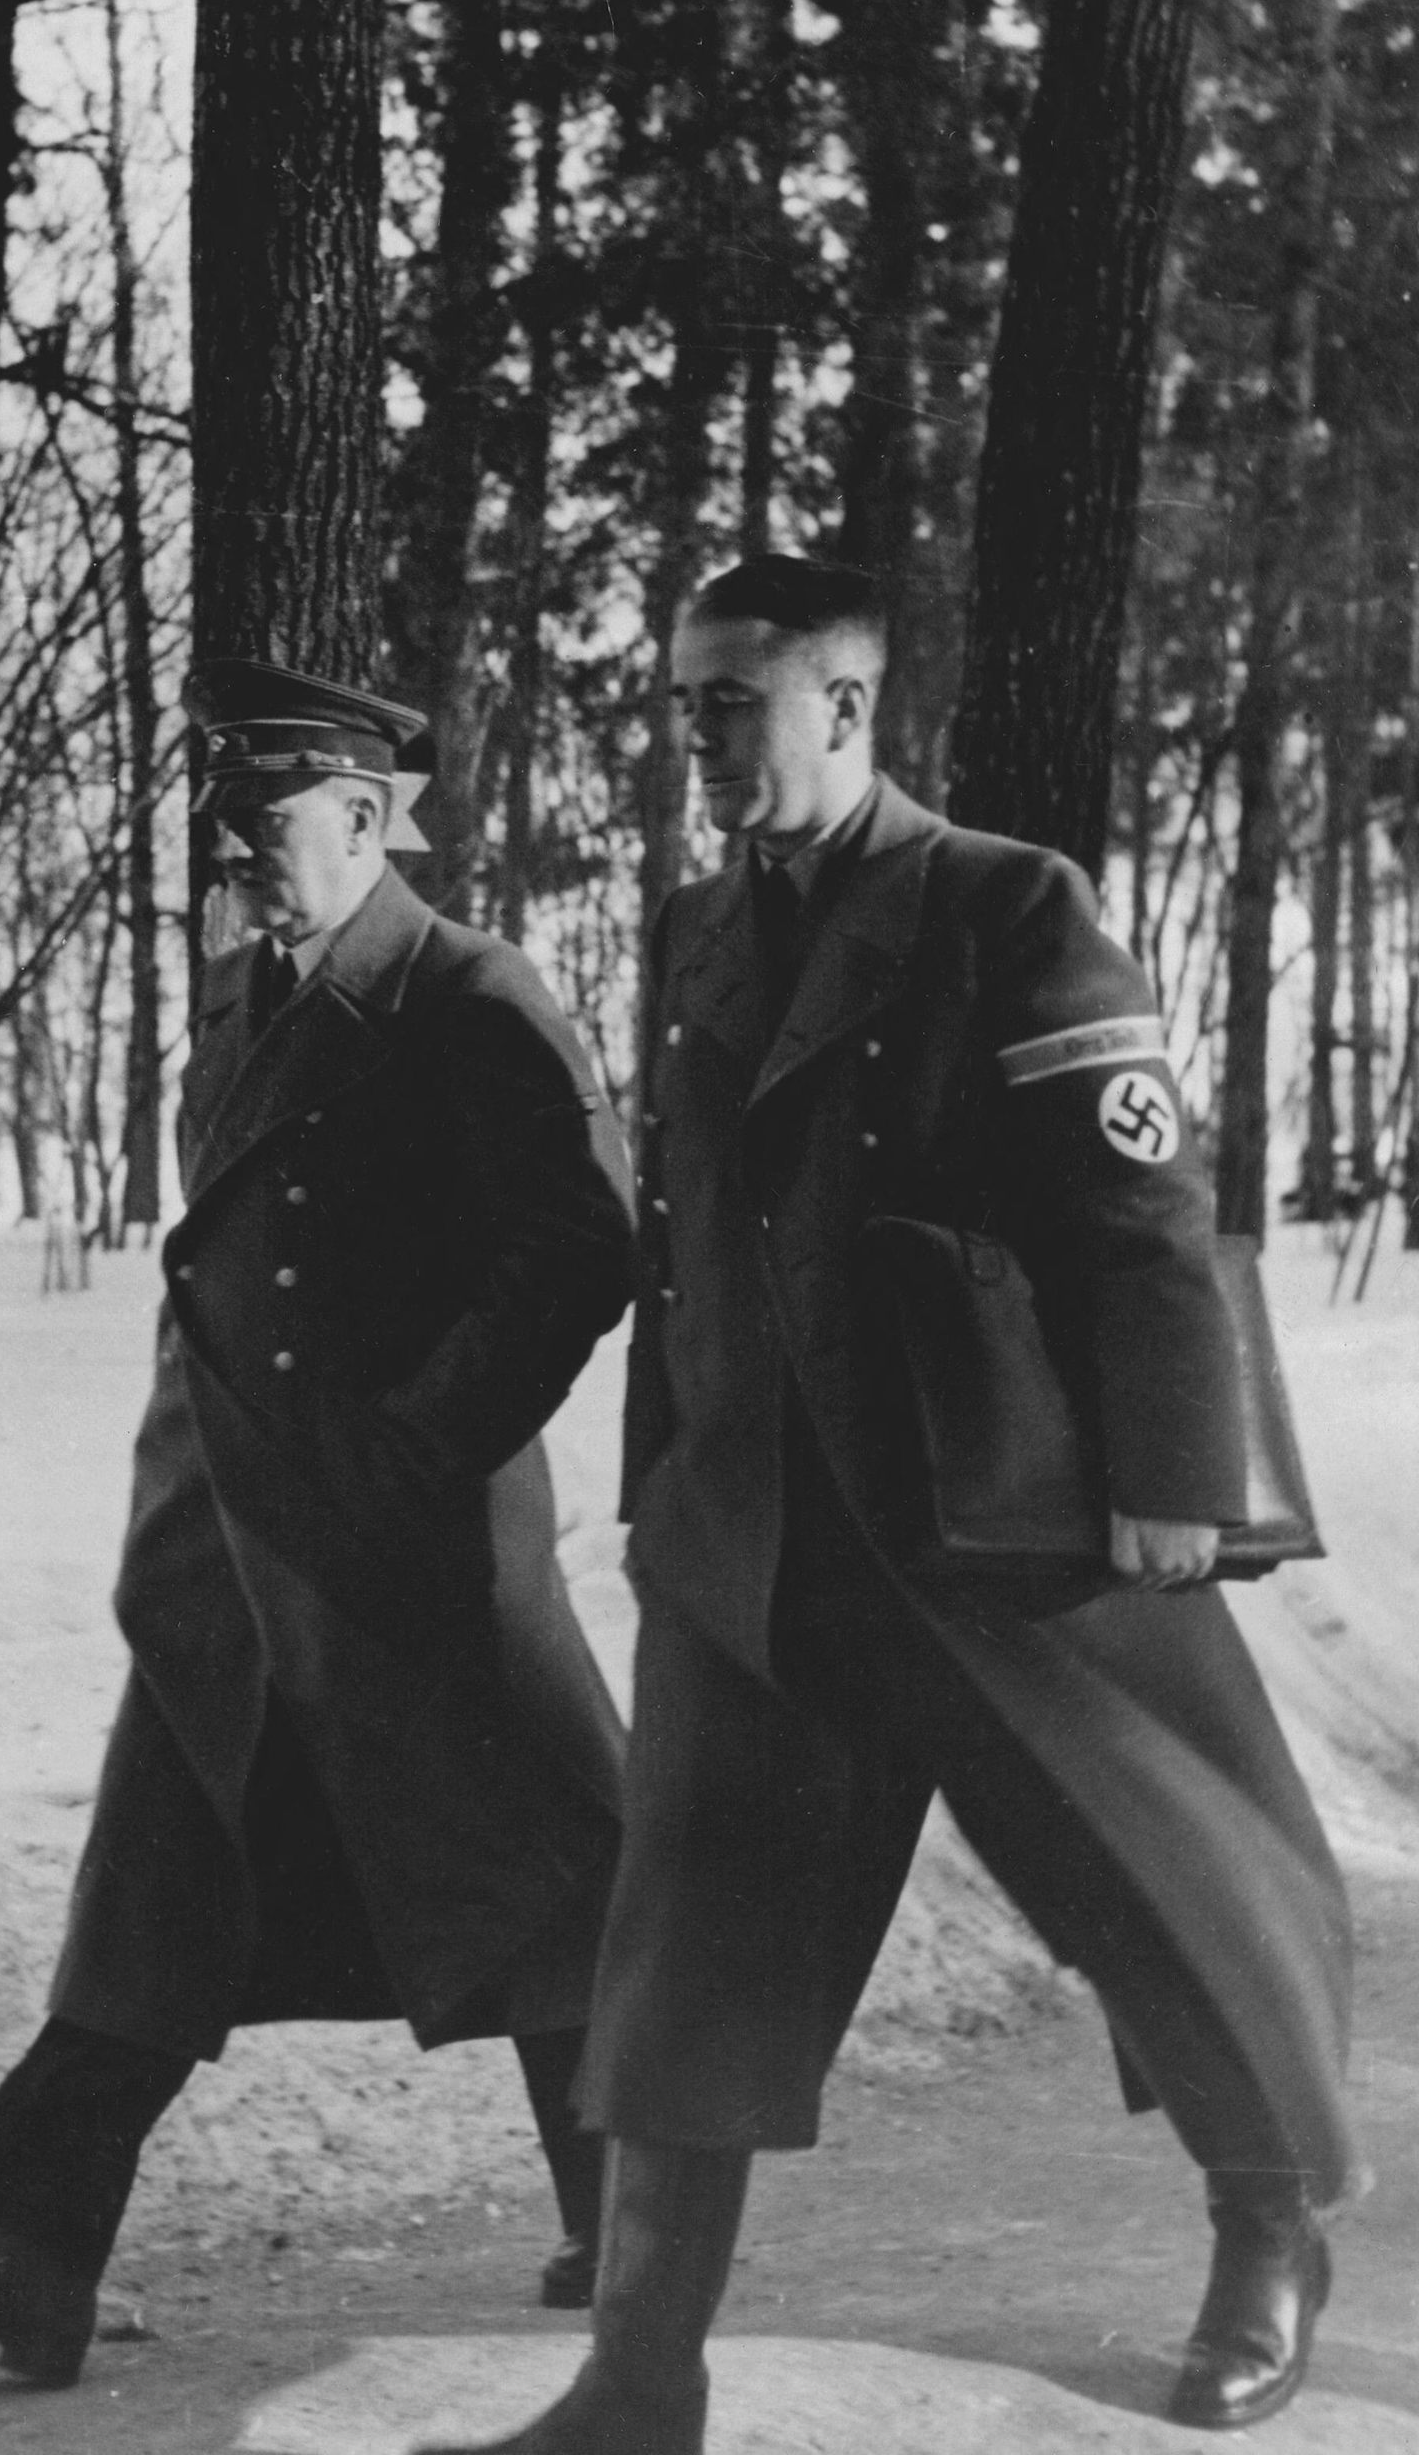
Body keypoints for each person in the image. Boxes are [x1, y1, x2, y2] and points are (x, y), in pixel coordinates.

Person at [425, 555, 1355, 2455]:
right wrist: (666, 1486)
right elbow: (684, 1237)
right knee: (694, 1943)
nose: (697, 740)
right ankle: (639, 2378)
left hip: (997, 1527)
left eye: (733, 702)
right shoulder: (700, 929)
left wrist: (1172, 1483)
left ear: (846, 707)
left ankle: (1270, 2237)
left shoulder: (1007, 905)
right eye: (681, 705)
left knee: (1158, 1897)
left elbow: (1138, 1204)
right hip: (759, 1547)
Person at [0, 659, 634, 2388]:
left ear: (364, 816)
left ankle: (643, 2223)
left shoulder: (470, 995)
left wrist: (422, 1445)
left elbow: (579, 1245)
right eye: (217, 822)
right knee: (166, 1882)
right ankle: (39, 2257)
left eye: (261, 820)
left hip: (404, 1549)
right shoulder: (270, 1003)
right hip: (248, 1551)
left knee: (540, 1864)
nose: (231, 856)